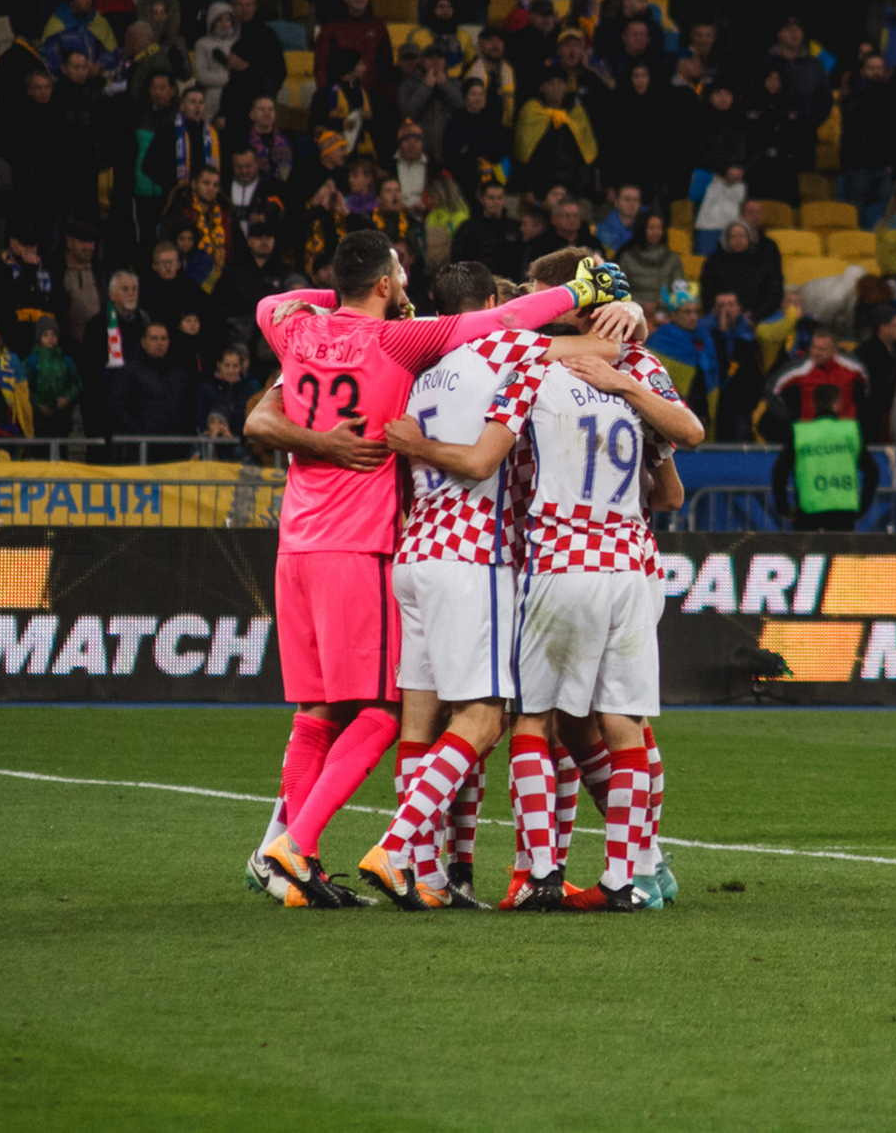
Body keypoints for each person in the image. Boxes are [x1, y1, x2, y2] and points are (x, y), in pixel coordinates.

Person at [243, 231, 626, 908]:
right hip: (393, 545)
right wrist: (583, 294)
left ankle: (321, 860)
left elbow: (271, 311)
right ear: (385, 285)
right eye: (395, 273)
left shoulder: (296, 331)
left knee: (322, 712)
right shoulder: (407, 343)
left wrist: (342, 297)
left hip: (312, 540)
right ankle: (318, 846)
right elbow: (517, 325)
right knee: (420, 713)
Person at [375, 279, 700, 912]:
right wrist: (630, 352)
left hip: (552, 559)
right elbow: (675, 478)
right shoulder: (640, 368)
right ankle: (631, 874)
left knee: (530, 720)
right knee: (622, 724)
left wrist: (417, 446)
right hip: (631, 564)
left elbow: (486, 459)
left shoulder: (522, 367)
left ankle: (533, 872)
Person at [772, 383, 879, 531]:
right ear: (838, 403)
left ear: (813, 404)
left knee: (808, 547)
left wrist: (783, 507)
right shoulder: (850, 431)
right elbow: (872, 472)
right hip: (843, 512)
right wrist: (863, 507)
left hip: (808, 510)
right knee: (839, 547)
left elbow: (780, 472)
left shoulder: (801, 432)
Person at [23, 315, 82, 438]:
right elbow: (24, 387)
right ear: (39, 338)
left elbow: (77, 383)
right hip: (38, 417)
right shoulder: (32, 361)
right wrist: (38, 404)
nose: (50, 338)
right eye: (46, 335)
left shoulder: (66, 360)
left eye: (53, 334)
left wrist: (67, 398)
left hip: (62, 415)